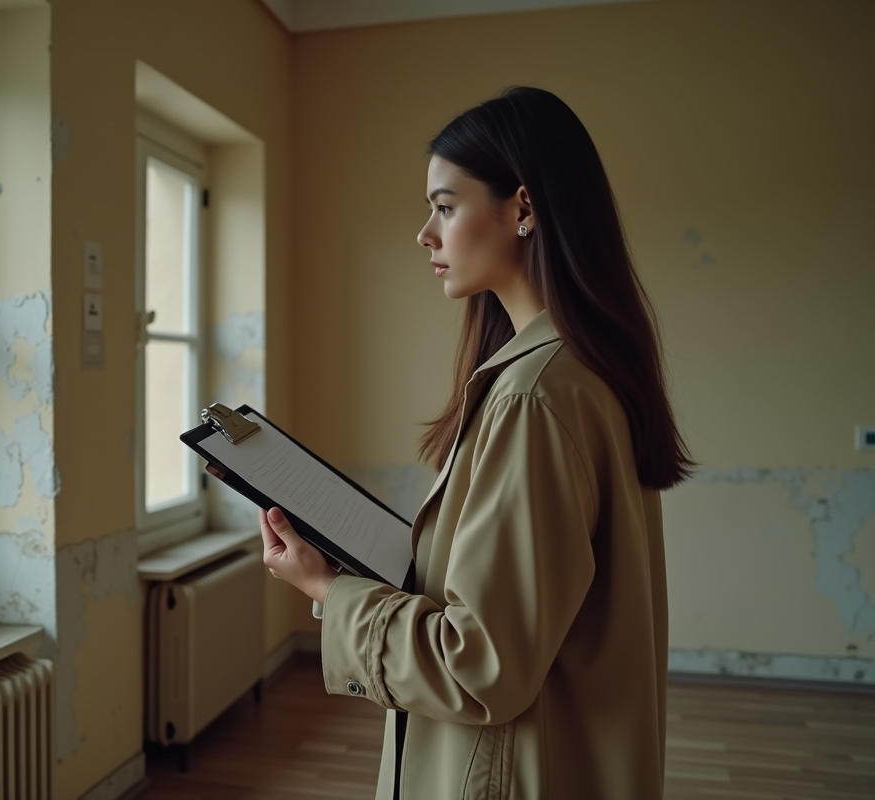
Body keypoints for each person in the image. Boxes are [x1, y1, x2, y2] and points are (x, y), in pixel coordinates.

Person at [259, 86, 692, 800]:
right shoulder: (579, 370)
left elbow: (479, 665)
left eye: (446, 205)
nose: (424, 233)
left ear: (522, 209)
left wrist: (328, 590)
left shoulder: (534, 396)